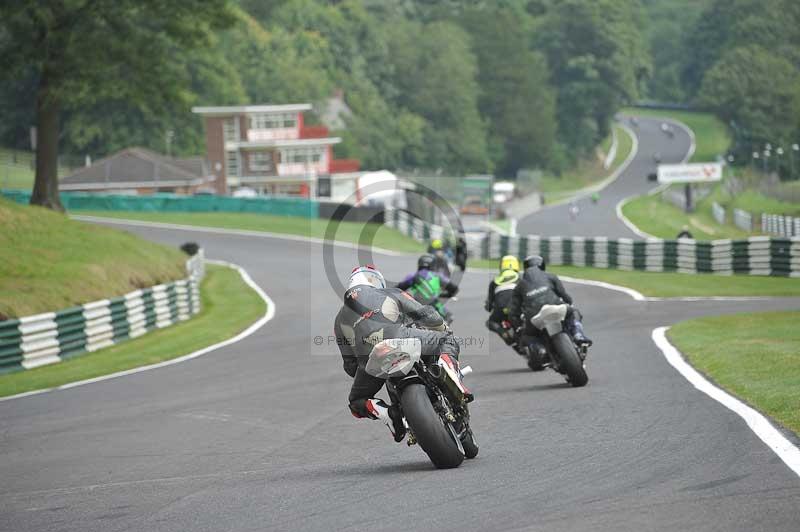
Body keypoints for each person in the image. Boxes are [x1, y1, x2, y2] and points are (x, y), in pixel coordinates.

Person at [333, 265, 465, 442]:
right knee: (448, 340)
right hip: (402, 339)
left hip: (372, 361)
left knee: (357, 402)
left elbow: (350, 367)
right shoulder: (390, 292)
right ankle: (451, 375)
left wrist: (366, 367)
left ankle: (388, 414)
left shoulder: (338, 321)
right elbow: (427, 315)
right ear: (374, 280)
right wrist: (442, 328)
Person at [509, 255, 592, 359]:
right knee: (574, 312)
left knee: (526, 337)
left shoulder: (519, 286)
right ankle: (578, 334)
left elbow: (513, 312)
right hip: (556, 308)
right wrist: (568, 303)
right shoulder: (551, 276)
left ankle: (540, 349)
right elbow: (565, 296)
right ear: (542, 266)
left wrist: (518, 327)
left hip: (535, 316)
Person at [397, 254, 459, 323]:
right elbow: (454, 289)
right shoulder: (438, 276)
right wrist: (444, 295)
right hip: (435, 305)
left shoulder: (413, 276)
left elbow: (399, 288)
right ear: (433, 265)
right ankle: (445, 330)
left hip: (417, 306)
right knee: (449, 316)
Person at [484, 266, 520, 348]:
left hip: (501, 309)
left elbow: (489, 306)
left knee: (490, 322)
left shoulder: (494, 281)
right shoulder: (520, 278)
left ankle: (504, 334)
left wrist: (488, 307)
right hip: (517, 307)